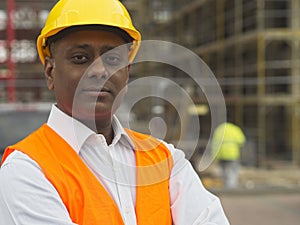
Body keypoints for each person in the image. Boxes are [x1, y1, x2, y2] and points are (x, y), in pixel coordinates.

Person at [0, 0, 230, 224]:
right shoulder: (25, 171)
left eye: (112, 59)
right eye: (80, 58)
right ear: (50, 72)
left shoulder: (166, 161)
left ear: (126, 73)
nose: (99, 70)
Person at [212, 122, 246, 189]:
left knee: (223, 171)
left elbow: (214, 145)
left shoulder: (219, 130)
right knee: (233, 170)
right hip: (232, 154)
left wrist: (214, 156)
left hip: (221, 154)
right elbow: (242, 141)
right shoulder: (235, 129)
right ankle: (231, 187)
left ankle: (225, 186)